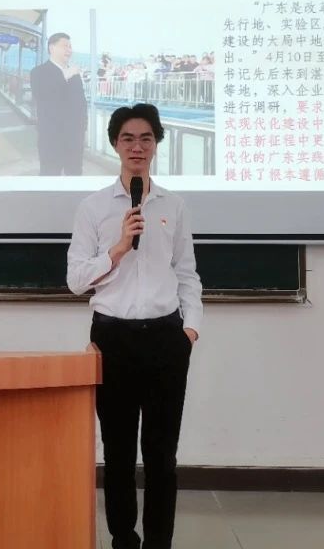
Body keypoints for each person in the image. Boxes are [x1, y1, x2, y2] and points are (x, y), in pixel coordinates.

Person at [66, 103, 203, 549]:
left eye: (146, 138)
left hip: (166, 338)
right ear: (115, 144)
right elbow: (75, 280)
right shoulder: (92, 208)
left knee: (162, 455)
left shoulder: (174, 206)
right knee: (119, 451)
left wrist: (189, 330)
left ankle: (159, 542)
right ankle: (123, 538)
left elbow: (187, 273)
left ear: (157, 144)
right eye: (128, 138)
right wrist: (119, 247)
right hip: (113, 339)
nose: (137, 146)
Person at [30, 32, 88, 175]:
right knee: (49, 176)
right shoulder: (38, 72)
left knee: (74, 176)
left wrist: (83, 130)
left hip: (74, 140)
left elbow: (81, 103)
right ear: (52, 48)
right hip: (51, 139)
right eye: (65, 46)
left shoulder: (74, 74)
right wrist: (65, 75)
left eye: (70, 46)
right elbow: (42, 95)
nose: (69, 50)